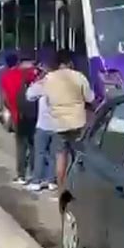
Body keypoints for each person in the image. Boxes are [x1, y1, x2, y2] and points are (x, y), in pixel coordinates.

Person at [43, 50, 95, 188]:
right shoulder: (79, 76)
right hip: (78, 122)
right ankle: (78, 186)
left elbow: (47, 101)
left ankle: (61, 188)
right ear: (69, 62)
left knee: (61, 157)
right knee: (79, 156)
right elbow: (90, 98)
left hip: (59, 123)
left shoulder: (49, 78)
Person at [0, 52, 38, 184]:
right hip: (31, 114)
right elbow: (35, 75)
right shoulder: (23, 73)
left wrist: (10, 108)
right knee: (33, 145)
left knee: (21, 146)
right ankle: (34, 173)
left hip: (17, 115)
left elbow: (5, 98)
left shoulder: (5, 77)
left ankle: (21, 175)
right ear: (17, 62)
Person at [24, 60, 58, 192]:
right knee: (53, 154)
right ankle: (51, 181)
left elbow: (29, 95)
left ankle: (37, 181)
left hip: (43, 125)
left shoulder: (42, 83)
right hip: (57, 125)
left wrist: (36, 82)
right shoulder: (60, 84)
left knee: (40, 153)